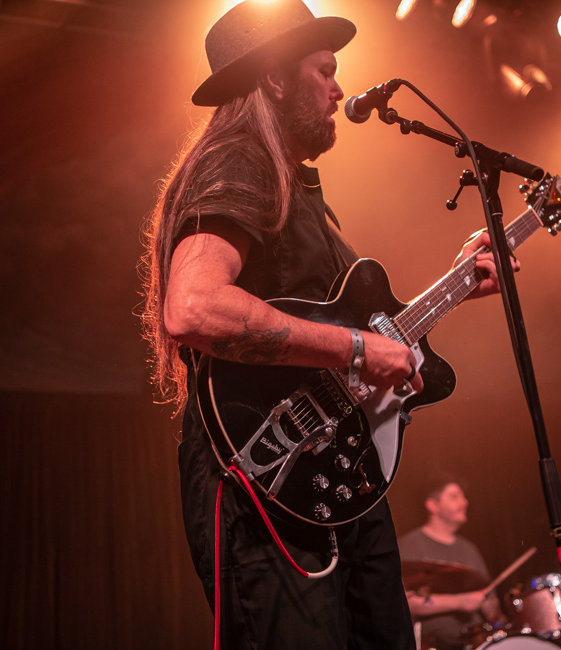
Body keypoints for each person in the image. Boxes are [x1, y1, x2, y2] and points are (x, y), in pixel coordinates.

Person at [139, 1, 517, 648]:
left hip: (336, 479)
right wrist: (354, 348)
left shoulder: (300, 193)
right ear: (276, 79)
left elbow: (372, 340)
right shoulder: (238, 161)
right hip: (266, 475)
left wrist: (460, 283)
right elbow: (194, 307)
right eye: (324, 70)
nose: (339, 88)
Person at [399, 477, 506, 650]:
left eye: (463, 497)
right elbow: (406, 602)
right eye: (455, 496)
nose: (465, 502)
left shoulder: (470, 548)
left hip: (478, 642)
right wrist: (459, 602)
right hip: (434, 644)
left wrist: (491, 607)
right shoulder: (412, 544)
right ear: (433, 505)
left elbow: (493, 604)